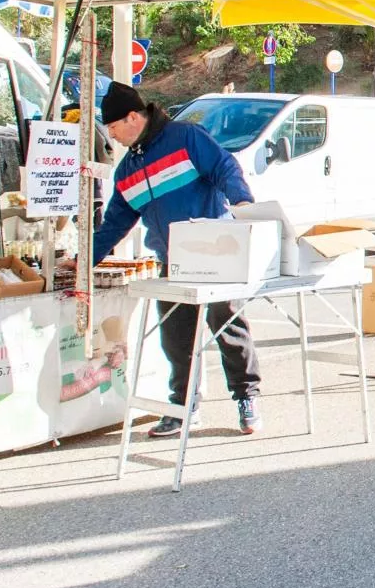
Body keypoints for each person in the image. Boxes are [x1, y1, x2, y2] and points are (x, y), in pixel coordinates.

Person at [84, 82, 263, 437]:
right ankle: (182, 407)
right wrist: (84, 260)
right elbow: (115, 224)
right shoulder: (127, 171)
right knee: (175, 337)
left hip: (216, 251)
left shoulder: (186, 138)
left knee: (227, 326)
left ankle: (248, 397)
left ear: (133, 118)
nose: (113, 138)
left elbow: (225, 168)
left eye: (115, 128)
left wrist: (242, 202)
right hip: (171, 260)